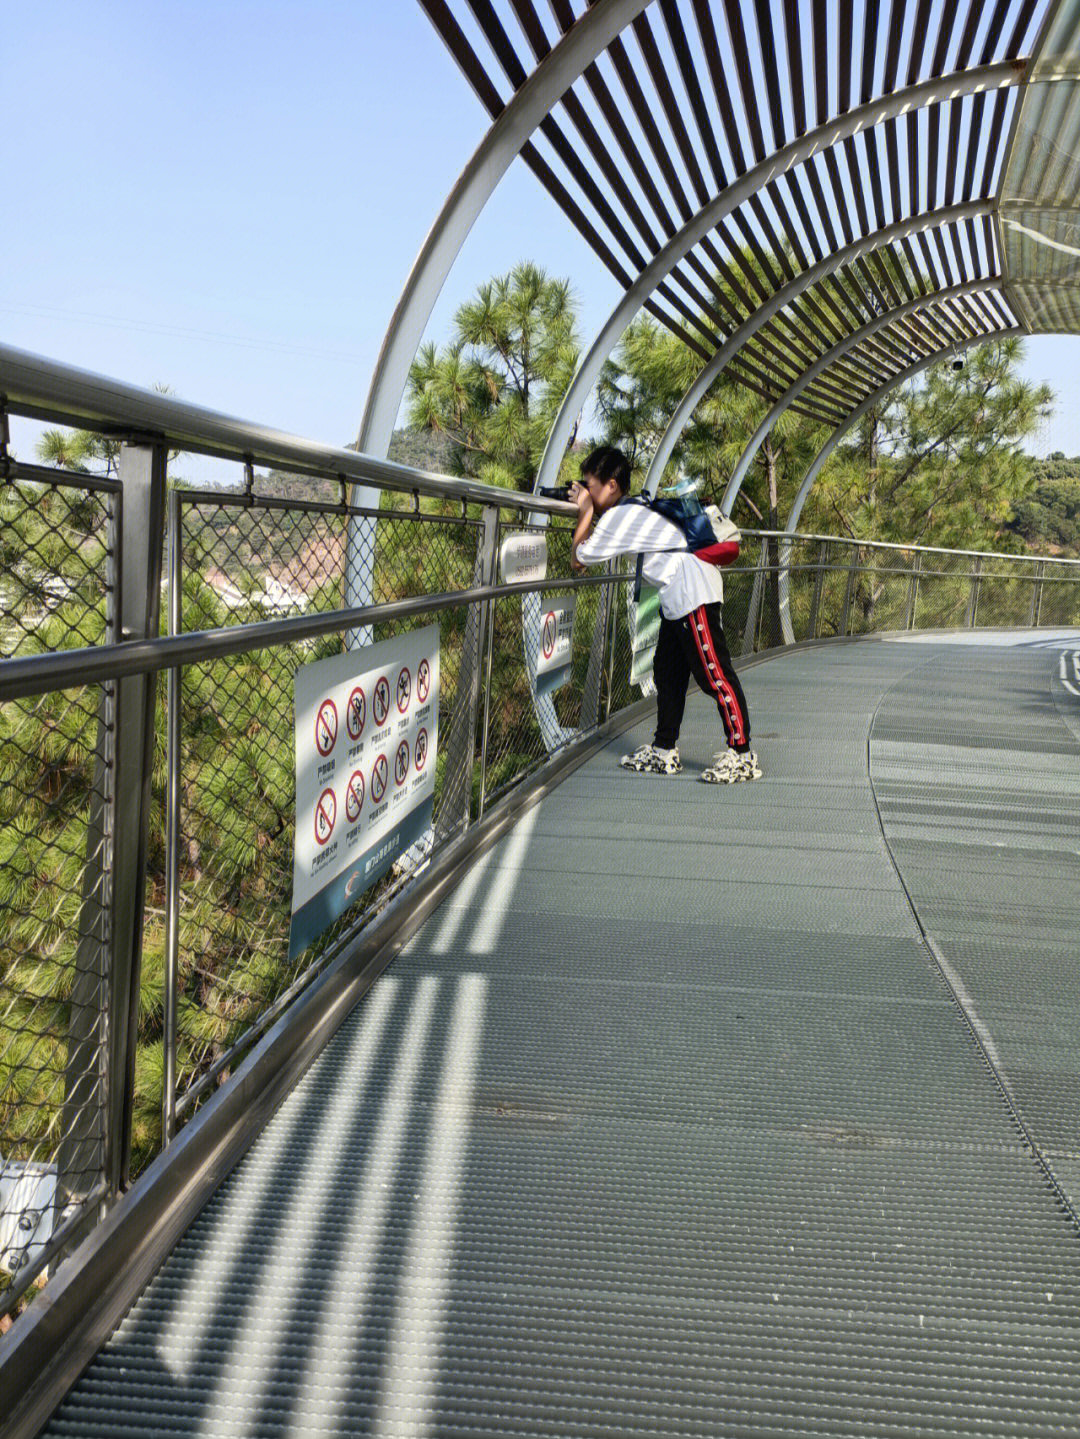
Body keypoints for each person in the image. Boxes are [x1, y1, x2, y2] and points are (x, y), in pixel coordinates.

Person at [570, 445, 761, 783]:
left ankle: (742, 754)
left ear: (611, 486)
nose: (588, 492)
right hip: (676, 596)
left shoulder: (617, 516)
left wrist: (585, 511)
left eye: (591, 485)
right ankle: (664, 750)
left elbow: (578, 560)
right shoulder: (631, 509)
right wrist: (590, 508)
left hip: (693, 593)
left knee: (714, 674)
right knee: (668, 675)